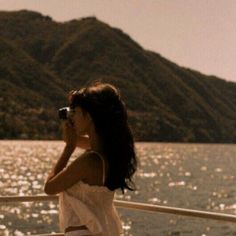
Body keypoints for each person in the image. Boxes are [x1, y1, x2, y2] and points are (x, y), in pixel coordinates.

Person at [44, 81, 138, 236]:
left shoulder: (89, 161)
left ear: (89, 116)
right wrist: (71, 139)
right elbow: (89, 143)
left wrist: (69, 149)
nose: (72, 116)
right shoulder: (109, 152)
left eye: (75, 110)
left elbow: (50, 188)